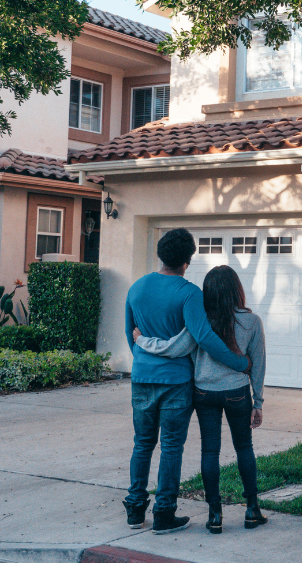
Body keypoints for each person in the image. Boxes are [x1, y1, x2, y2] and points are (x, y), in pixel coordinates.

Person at [123, 229, 251, 535]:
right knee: (170, 448)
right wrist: (239, 363)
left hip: (142, 378)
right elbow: (205, 337)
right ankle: (164, 513)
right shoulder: (190, 293)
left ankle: (135, 509)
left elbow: (131, 335)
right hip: (176, 382)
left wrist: (145, 363)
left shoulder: (137, 288)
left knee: (142, 444)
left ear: (160, 255)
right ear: (187, 260)